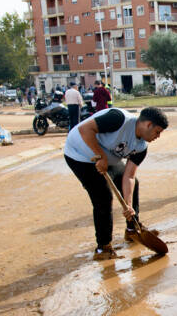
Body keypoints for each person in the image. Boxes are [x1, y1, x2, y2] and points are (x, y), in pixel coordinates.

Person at [64, 106, 169, 260]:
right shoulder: (118, 119)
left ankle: (133, 228)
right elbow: (85, 129)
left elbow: (129, 176)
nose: (158, 136)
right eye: (157, 131)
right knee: (103, 196)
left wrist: (128, 206)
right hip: (79, 154)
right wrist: (100, 156)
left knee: (134, 185)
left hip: (107, 158)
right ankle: (103, 247)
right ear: (148, 125)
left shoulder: (141, 148)